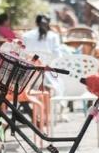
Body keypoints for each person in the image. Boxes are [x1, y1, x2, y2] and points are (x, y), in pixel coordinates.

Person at [20, 14, 66, 144]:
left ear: (36, 22)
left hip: (29, 76)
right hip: (47, 75)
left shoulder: (26, 36)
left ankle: (40, 118)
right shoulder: (53, 36)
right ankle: (46, 118)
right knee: (50, 88)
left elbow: (23, 55)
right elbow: (58, 55)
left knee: (41, 89)